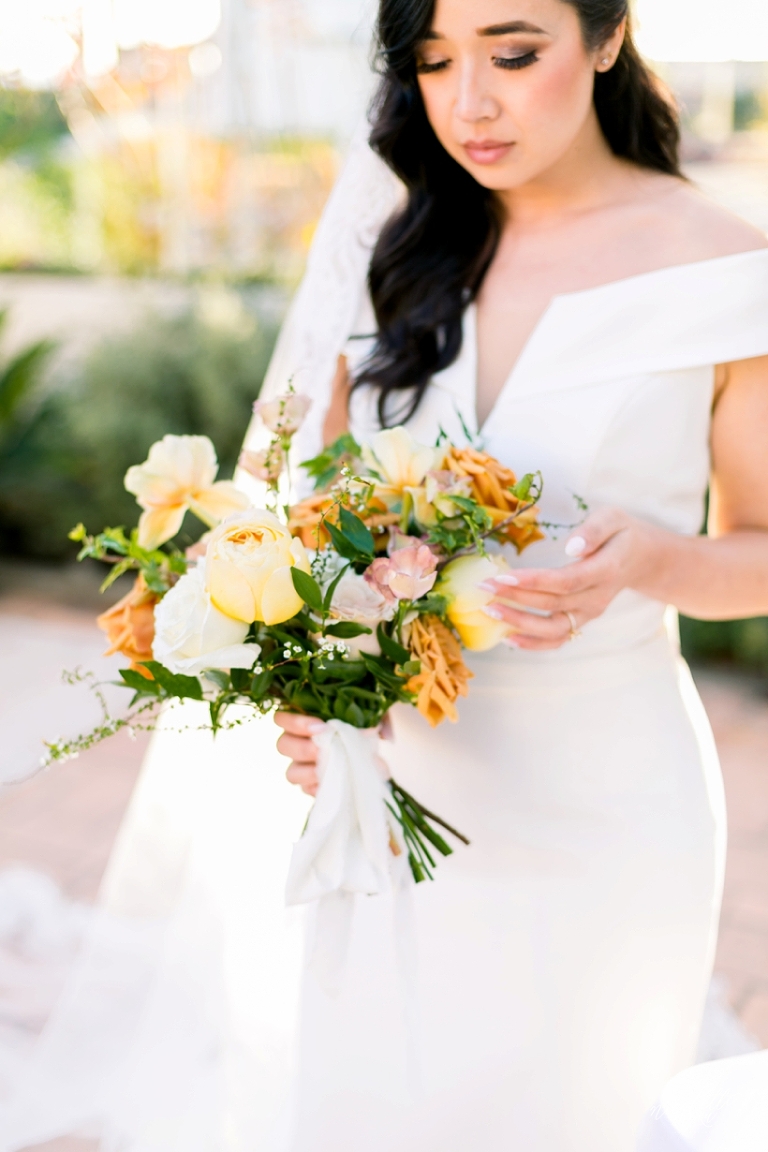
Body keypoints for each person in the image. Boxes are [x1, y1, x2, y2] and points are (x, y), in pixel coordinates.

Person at [270, 1, 768, 1149]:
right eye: (433, 62)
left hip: (607, 805)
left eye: (512, 52)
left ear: (606, 35)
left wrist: (658, 560)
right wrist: (320, 692)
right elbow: (317, 529)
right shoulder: (391, 249)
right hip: (395, 800)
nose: (470, 103)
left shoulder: (727, 268)